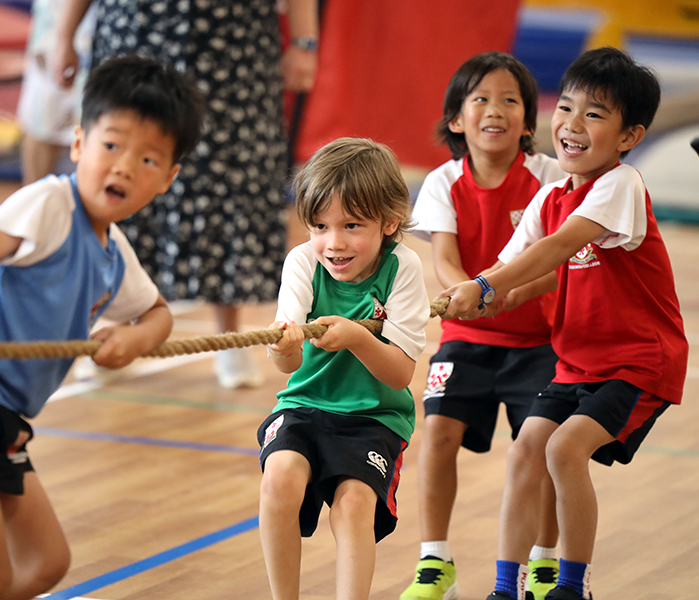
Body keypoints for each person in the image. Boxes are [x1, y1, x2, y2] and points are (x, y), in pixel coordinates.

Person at [0, 55, 204, 600]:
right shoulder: (48, 205)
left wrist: (133, 338)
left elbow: (155, 314)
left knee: (44, 564)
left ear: (168, 179)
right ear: (80, 143)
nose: (125, 166)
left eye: (149, 158)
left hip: (2, 413)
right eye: (112, 145)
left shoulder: (113, 253)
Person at [438, 47, 689, 600]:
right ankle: (507, 589)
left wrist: (483, 286)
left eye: (595, 115)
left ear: (630, 137)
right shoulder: (550, 195)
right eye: (567, 107)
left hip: (638, 361)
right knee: (526, 448)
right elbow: (511, 269)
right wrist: (488, 297)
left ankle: (570, 588)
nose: (572, 125)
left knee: (563, 449)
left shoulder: (620, 185)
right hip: (577, 362)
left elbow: (558, 247)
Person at [52, 0, 319, 389]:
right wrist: (63, 35)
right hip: (138, 31)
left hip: (232, 43)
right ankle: (112, 328)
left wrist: (305, 42)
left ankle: (230, 337)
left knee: (233, 178)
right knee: (123, 172)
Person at [400, 52, 566, 600]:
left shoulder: (549, 178)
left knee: (541, 447)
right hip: (466, 336)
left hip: (541, 340)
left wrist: (510, 292)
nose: (495, 110)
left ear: (527, 121)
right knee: (438, 432)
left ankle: (543, 563)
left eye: (510, 100)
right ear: (456, 118)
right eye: (481, 99)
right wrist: (469, 296)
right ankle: (434, 563)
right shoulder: (442, 182)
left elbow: (559, 261)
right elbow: (445, 262)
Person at [258, 138, 430, 600]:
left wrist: (356, 337)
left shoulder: (403, 268)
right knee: (280, 479)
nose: (333, 243)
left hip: (374, 417)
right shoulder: (302, 261)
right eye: (319, 225)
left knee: (354, 503)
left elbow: (398, 375)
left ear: (389, 221)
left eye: (351, 225)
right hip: (304, 405)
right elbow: (287, 364)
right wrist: (282, 345)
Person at [16, 0, 96, 184]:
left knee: (96, 122)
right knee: (44, 116)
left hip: (112, 17)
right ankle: (35, 206)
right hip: (57, 17)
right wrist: (64, 38)